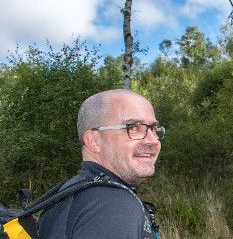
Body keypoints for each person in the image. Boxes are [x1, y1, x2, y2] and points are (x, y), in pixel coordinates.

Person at [39, 89, 164, 238]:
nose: (153, 141)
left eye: (153, 129)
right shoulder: (114, 207)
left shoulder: (69, 193)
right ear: (94, 140)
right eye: (133, 128)